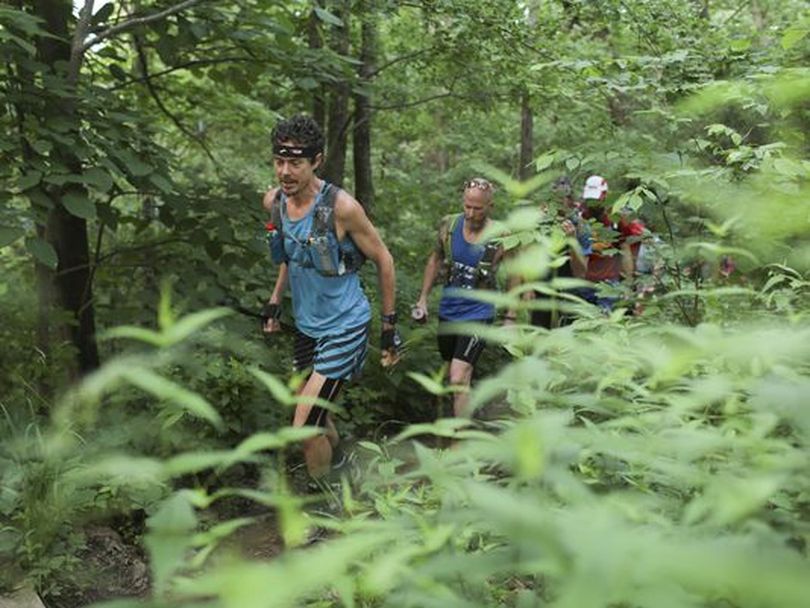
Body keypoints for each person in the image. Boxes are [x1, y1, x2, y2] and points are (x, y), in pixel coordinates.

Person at [260, 114, 401, 480]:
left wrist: (389, 327)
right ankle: (344, 472)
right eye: (279, 161)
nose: (285, 172)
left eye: (295, 163)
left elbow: (384, 260)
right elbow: (290, 255)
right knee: (315, 415)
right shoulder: (273, 203)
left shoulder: (341, 208)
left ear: (316, 161)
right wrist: (275, 301)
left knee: (305, 426)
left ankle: (323, 509)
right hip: (308, 326)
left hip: (345, 325)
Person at [412, 177, 509, 418]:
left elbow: (517, 272)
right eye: (467, 206)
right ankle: (465, 412)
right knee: (452, 374)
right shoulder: (450, 226)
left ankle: (459, 441)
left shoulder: (501, 235)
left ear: (490, 207)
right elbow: (435, 260)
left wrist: (512, 316)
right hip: (449, 310)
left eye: (477, 208)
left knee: (457, 377)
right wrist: (423, 298)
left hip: (480, 314)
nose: (471, 212)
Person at [528, 176, 591, 328]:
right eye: (554, 199)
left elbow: (581, 272)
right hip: (540, 293)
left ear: (570, 201)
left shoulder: (581, 228)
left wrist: (572, 242)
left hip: (568, 294)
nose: (558, 204)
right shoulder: (539, 224)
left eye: (562, 199)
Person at [579, 175, 644, 312]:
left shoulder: (615, 219)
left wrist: (628, 284)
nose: (593, 204)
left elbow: (625, 248)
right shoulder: (580, 218)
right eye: (590, 199)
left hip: (609, 282)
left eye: (596, 199)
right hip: (583, 282)